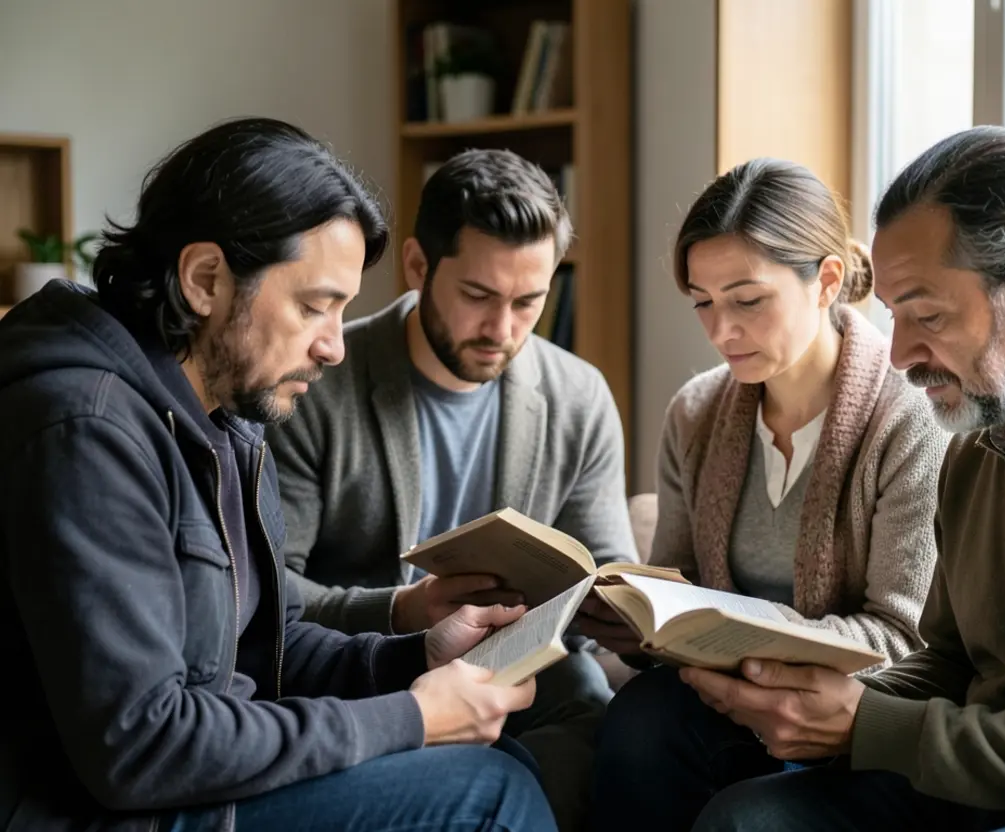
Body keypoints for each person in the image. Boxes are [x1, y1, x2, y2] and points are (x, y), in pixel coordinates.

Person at [633, 126, 1005, 831]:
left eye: (927, 316)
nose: (899, 355)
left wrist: (873, 728)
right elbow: (952, 662)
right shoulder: (981, 441)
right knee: (747, 821)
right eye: (894, 317)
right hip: (988, 776)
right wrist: (819, 706)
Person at [0, 118, 556, 832]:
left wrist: (414, 655)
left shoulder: (225, 416)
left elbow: (271, 649)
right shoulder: (86, 431)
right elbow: (139, 745)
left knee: (512, 766)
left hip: (188, 786)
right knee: (490, 796)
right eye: (314, 305)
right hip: (111, 814)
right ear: (206, 280)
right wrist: (413, 715)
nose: (332, 346)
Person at [267, 147, 636, 831]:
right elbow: (269, 596)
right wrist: (407, 609)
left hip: (519, 665)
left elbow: (606, 564)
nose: (503, 329)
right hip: (366, 671)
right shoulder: (314, 383)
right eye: (477, 297)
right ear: (416, 266)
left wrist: (621, 606)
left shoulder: (578, 396)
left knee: (598, 709)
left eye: (530, 301)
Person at [586, 157, 949, 831]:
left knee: (741, 816)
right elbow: (680, 590)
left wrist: (759, 640)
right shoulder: (695, 415)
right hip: (729, 701)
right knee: (639, 721)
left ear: (827, 281)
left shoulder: (909, 419)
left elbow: (902, 638)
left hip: (852, 718)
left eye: (747, 300)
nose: (722, 331)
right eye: (703, 302)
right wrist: (633, 618)